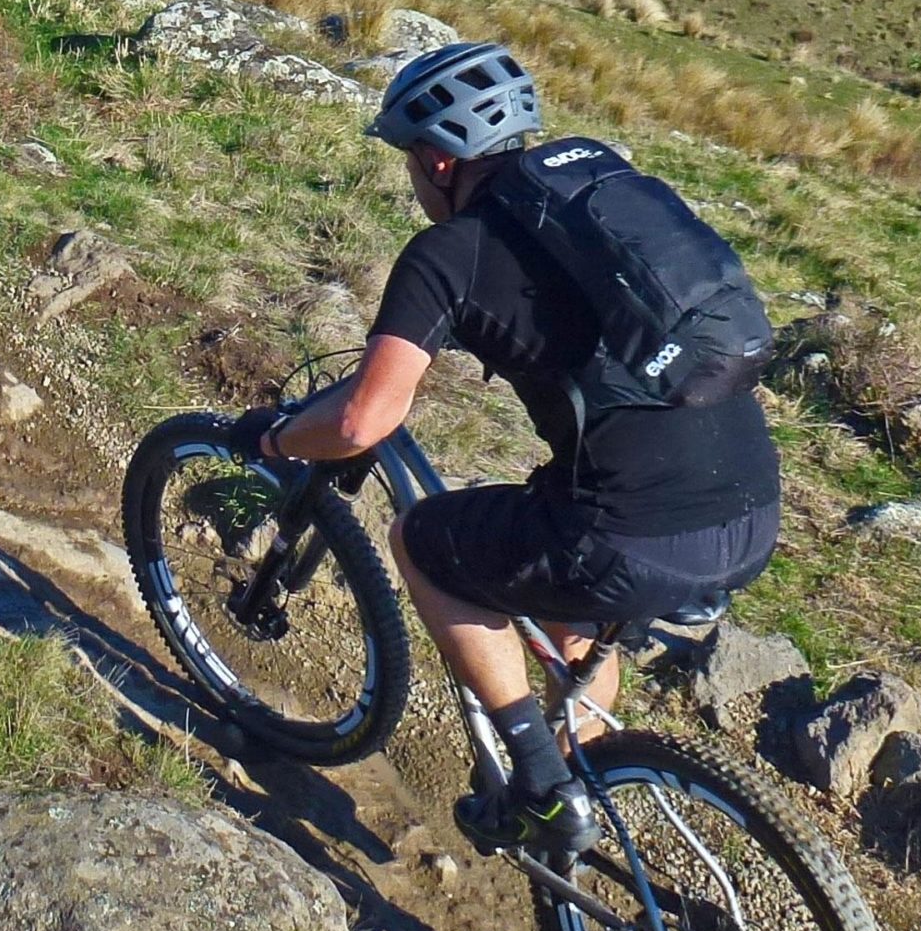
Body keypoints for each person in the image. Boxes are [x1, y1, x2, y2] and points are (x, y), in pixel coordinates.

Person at [228, 42, 782, 852]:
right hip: (752, 511)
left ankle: (540, 784)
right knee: (574, 616)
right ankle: (592, 779)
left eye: (409, 164)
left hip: (629, 535)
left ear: (437, 160)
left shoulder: (450, 253)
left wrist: (278, 436)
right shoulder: (590, 206)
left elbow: (360, 422)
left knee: (420, 540)